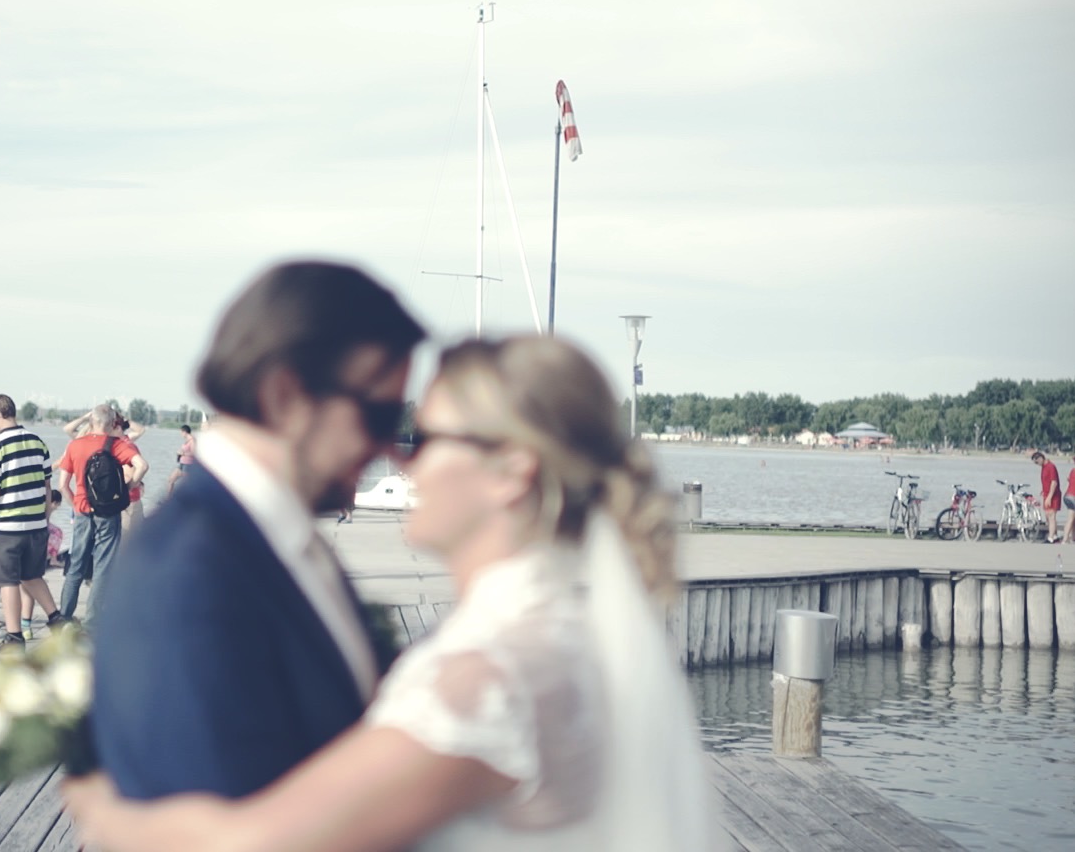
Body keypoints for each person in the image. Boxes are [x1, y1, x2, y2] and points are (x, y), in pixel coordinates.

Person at [65, 333, 713, 852]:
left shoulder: (490, 680)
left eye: (427, 439)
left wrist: (102, 807)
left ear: (512, 473)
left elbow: (252, 844)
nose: (398, 458)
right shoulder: (556, 631)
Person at [85, 261, 424, 802]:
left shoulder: (273, 534)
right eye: (379, 414)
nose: (388, 448)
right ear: (286, 396)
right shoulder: (188, 571)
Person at [0, 393, 67, 646]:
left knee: (7, 581)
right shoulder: (38, 442)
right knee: (31, 575)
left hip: (8, 527)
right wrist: (45, 516)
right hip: (36, 525)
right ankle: (56, 620)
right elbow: (47, 485)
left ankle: (14, 637)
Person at [53, 404, 148, 620]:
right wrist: (127, 489)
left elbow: (62, 485)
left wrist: (75, 504)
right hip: (108, 513)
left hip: (82, 512)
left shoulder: (75, 445)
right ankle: (91, 622)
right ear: (112, 422)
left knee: (76, 565)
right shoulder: (116, 445)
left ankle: (65, 617)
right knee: (103, 565)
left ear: (91, 422)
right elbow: (142, 466)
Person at [1032, 450, 1064, 543]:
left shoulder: (1051, 467)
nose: (1037, 464)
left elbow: (1054, 482)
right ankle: (1054, 535)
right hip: (1046, 494)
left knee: (1051, 515)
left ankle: (1051, 537)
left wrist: (1050, 496)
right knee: (1047, 515)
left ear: (1041, 458)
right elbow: (1046, 481)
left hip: (1053, 495)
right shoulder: (1044, 467)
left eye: (1037, 462)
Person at [168, 423, 197, 495]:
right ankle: (168, 499)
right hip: (181, 464)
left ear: (185, 432)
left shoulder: (192, 441)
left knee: (186, 485)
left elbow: (194, 453)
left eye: (181, 432)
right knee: (171, 480)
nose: (181, 434)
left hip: (188, 465)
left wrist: (183, 454)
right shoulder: (187, 440)